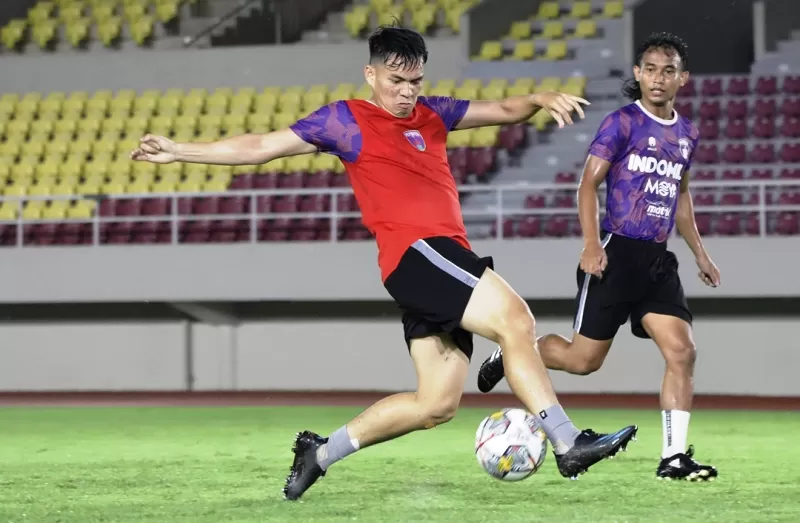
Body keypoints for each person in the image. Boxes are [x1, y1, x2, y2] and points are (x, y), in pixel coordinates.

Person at [130, 25, 638, 500]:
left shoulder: (432, 114)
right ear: (371, 75)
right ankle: (568, 443)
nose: (407, 92)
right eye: (396, 80)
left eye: (415, 81)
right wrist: (180, 151)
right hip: (417, 253)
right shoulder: (345, 119)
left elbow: (503, 109)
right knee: (516, 320)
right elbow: (261, 147)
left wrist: (538, 98)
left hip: (436, 260)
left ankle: (320, 453)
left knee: (435, 405)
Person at [476, 32, 719, 482]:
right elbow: (587, 185)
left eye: (668, 70)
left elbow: (681, 195)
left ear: (682, 78)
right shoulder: (622, 123)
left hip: (656, 261)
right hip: (615, 253)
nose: (658, 78)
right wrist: (591, 243)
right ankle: (512, 350)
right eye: (649, 69)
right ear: (638, 74)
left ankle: (673, 459)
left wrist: (700, 253)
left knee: (682, 352)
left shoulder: (688, 133)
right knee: (582, 361)